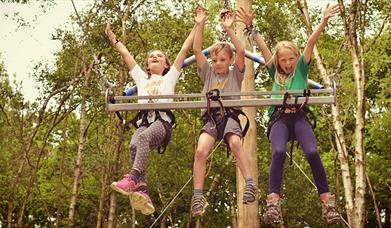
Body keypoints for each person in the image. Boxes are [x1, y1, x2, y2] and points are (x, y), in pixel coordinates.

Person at [236, 4, 341, 224]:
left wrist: (323, 21)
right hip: (280, 119)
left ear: (296, 57)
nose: (287, 64)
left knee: (312, 152)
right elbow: (263, 47)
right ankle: (273, 200)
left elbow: (311, 42)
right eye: (283, 60)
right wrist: (250, 27)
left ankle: (327, 201)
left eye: (290, 59)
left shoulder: (302, 67)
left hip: (299, 117)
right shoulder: (274, 70)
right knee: (279, 151)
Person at [105, 20, 196, 215]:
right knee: (133, 145)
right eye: (151, 56)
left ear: (166, 64)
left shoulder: (170, 77)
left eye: (159, 56)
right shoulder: (140, 78)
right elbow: (126, 54)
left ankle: (133, 178)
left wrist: (198, 25)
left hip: (162, 123)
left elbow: (185, 48)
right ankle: (143, 190)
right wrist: (113, 38)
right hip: (145, 121)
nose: (155, 57)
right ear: (147, 65)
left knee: (144, 138)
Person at [190, 7, 256, 217]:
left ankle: (250, 184)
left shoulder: (236, 74)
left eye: (223, 60)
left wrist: (229, 30)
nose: (218, 63)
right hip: (211, 117)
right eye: (215, 60)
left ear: (229, 61)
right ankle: (198, 195)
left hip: (230, 115)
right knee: (201, 151)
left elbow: (241, 51)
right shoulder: (208, 73)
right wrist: (200, 24)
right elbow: (197, 50)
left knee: (236, 143)